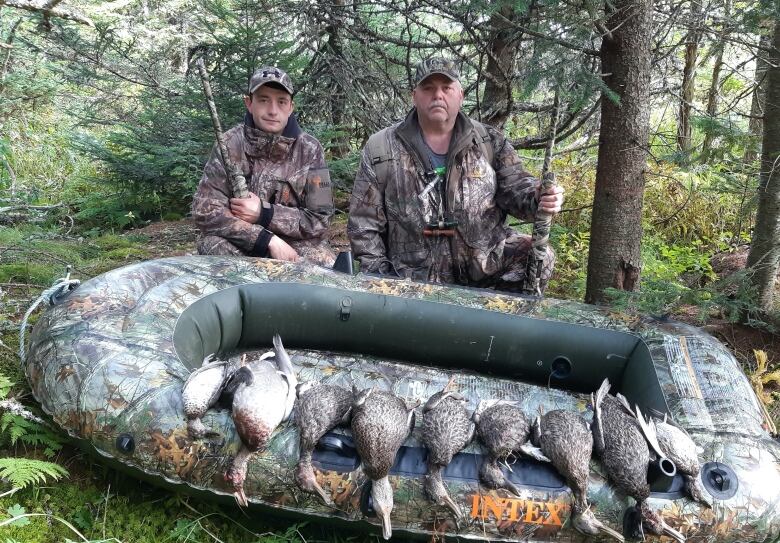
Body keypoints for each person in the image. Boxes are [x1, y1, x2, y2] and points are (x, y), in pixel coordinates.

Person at [348, 58, 564, 292]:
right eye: (428, 88)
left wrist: (539, 195)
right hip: (411, 278)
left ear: (460, 95)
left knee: (539, 257)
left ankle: (495, 319)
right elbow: (364, 222)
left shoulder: (488, 141)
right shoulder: (381, 148)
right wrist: (380, 280)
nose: (437, 95)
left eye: (446, 88)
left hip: (482, 270)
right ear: (414, 95)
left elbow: (516, 187)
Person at [192, 66, 335, 265]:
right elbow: (205, 209)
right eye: (263, 100)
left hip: (295, 246)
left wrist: (265, 213)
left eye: (281, 101)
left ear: (291, 107)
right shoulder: (229, 144)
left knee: (325, 262)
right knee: (211, 245)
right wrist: (263, 239)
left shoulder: (310, 149)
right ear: (249, 103)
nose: (272, 110)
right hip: (243, 243)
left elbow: (320, 219)